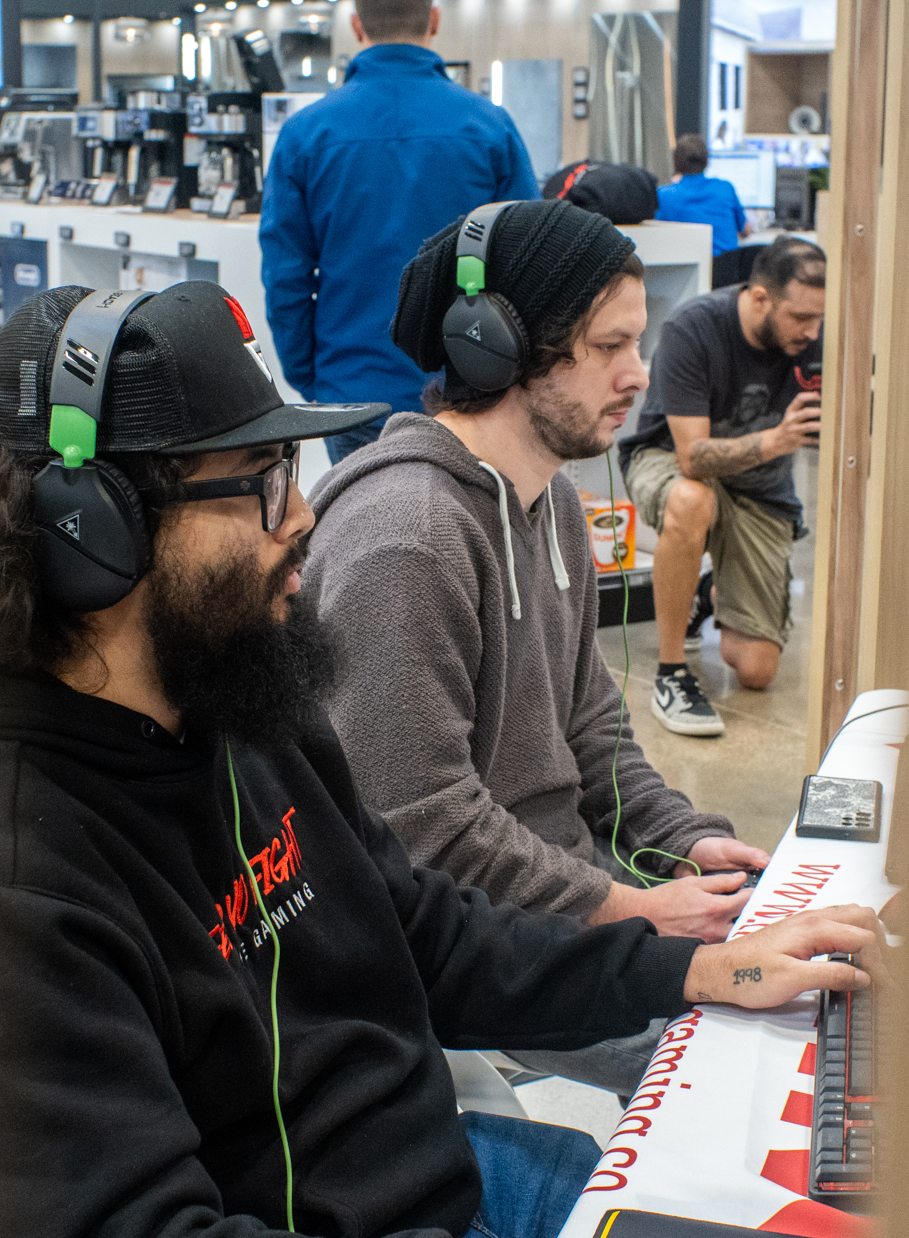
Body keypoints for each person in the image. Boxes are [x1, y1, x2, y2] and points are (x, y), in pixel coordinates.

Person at [0, 278, 887, 1238]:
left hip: (427, 1183)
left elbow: (415, 926)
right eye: (257, 482)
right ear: (91, 533)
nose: (302, 518)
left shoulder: (231, 691)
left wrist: (696, 966)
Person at [304, 200, 774, 1098]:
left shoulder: (551, 503)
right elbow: (424, 831)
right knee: (738, 1063)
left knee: (786, 994)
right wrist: (632, 915)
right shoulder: (408, 540)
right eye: (611, 347)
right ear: (497, 347)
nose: (640, 376)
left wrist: (685, 844)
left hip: (564, 900)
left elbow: (593, 727)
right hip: (475, 945)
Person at [259, 0, 538, 463]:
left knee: (361, 528)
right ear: (434, 19)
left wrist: (312, 376)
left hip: (352, 386)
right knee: (465, 529)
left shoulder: (304, 134)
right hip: (469, 381)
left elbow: (285, 277)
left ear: (356, 27)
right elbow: (527, 264)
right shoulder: (490, 127)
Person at [618, 238, 826, 736]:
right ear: (759, 298)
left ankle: (705, 591)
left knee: (755, 670)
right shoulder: (694, 328)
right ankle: (672, 673)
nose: (812, 332)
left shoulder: (818, 336)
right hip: (670, 460)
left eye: (819, 318)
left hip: (762, 490)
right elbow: (693, 458)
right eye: (800, 318)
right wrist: (778, 440)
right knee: (693, 501)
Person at [656, 134, 750, 257]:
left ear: (675, 163)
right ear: (706, 162)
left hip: (688, 271)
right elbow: (745, 231)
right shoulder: (725, 188)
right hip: (727, 272)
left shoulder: (664, 195)